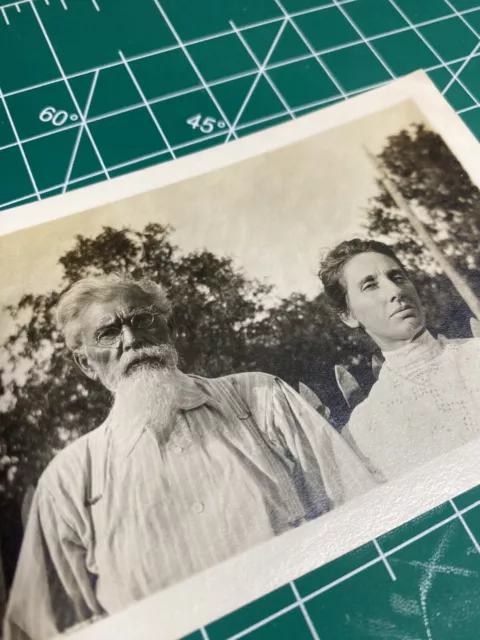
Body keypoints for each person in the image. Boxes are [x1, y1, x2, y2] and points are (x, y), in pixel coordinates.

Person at [4, 273, 376, 640]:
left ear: (168, 328)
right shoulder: (69, 480)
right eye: (108, 333)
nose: (131, 340)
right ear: (86, 363)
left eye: (143, 320)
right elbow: (43, 628)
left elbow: (361, 509)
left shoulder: (261, 398)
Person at [318, 238, 480, 481]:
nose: (395, 291)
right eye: (370, 285)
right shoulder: (364, 430)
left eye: (398, 277)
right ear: (348, 315)